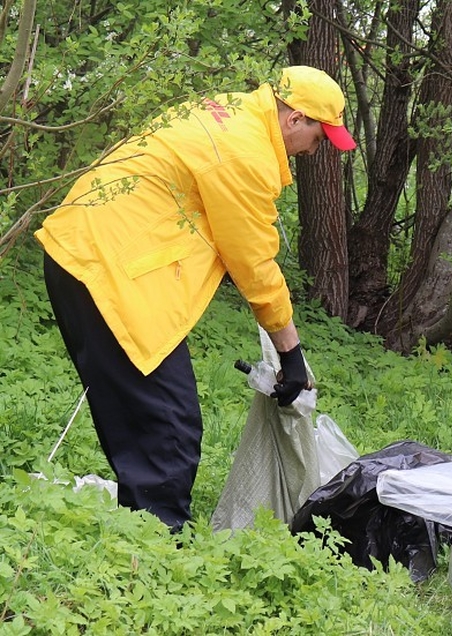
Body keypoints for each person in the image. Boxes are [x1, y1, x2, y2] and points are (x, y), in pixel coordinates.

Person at [34, 66, 356, 531]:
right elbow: (255, 263)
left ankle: (140, 531)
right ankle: (155, 550)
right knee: (169, 426)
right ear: (294, 119)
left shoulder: (226, 110)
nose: (317, 149)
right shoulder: (246, 153)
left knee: (138, 415)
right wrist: (292, 353)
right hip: (110, 271)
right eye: (320, 137)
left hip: (81, 252)